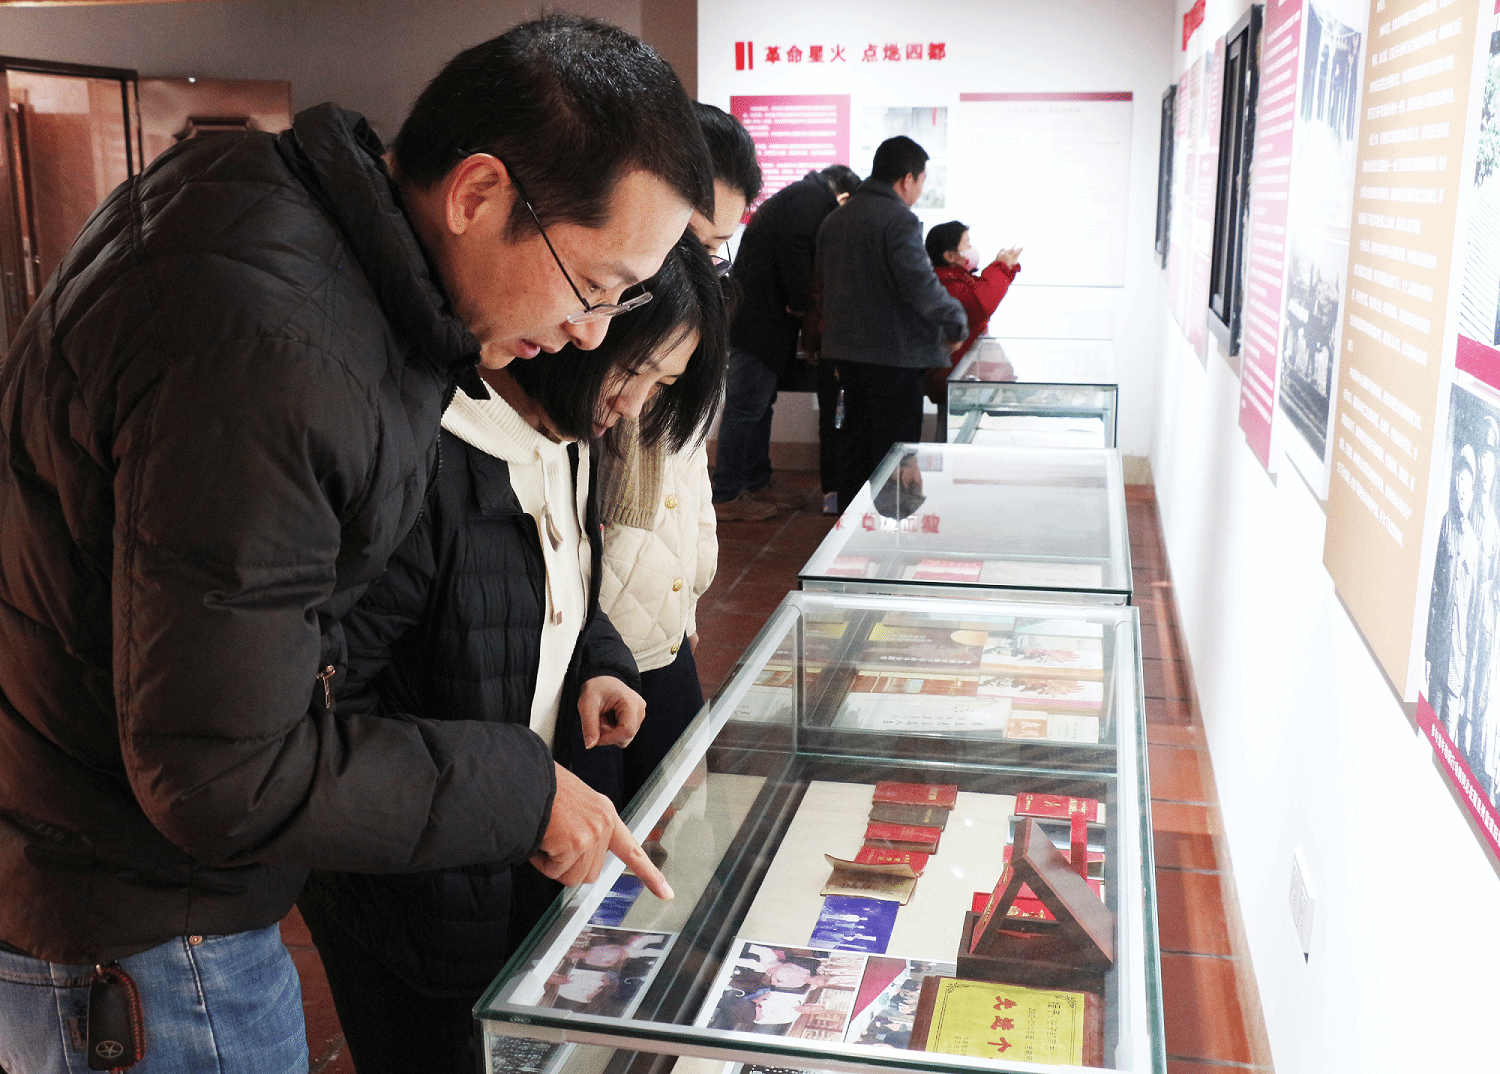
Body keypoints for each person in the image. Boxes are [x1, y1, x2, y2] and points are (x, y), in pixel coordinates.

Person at [0, 16, 712, 1073]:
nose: (592, 333)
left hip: (121, 884)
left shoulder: (271, 226)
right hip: (146, 927)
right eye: (594, 286)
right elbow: (220, 769)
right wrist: (524, 790)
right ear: (478, 194)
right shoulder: (282, 347)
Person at [296, 240, 726, 1074]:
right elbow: (326, 715)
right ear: (578, 326)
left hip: (514, 841)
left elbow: (568, 586)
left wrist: (600, 661)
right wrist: (520, 794)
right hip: (416, 887)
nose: (634, 407)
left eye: (662, 388)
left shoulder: (565, 438)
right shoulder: (423, 461)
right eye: (634, 374)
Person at [599, 107, 758, 808]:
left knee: (679, 818)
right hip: (599, 643)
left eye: (716, 247)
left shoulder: (690, 318)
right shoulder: (598, 327)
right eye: (688, 238)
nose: (697, 262)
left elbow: (687, 473)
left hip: (663, 623)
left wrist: (686, 600)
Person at [815, 135, 967, 514]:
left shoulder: (835, 220)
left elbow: (824, 288)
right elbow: (921, 285)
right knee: (895, 457)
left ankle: (850, 529)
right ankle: (890, 532)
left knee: (855, 449)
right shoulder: (899, 219)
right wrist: (955, 322)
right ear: (907, 179)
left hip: (846, 357)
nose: (920, 190)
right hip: (893, 359)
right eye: (922, 181)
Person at [713, 163, 862, 519]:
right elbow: (794, 253)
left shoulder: (802, 195)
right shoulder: (812, 199)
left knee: (759, 405)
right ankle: (726, 495)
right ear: (843, 196)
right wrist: (802, 301)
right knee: (745, 408)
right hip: (758, 320)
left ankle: (756, 482)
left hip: (763, 318)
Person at [922, 220, 1023, 408]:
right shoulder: (948, 286)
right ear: (950, 256)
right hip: (955, 382)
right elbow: (982, 303)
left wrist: (1004, 267)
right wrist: (1001, 266)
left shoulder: (954, 279)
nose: (972, 249)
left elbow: (984, 289)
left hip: (965, 379)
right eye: (967, 244)